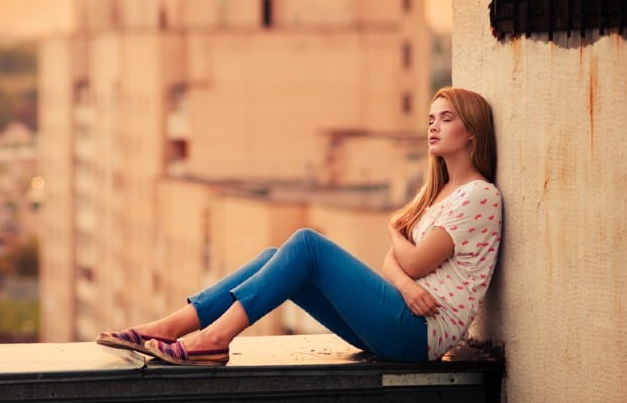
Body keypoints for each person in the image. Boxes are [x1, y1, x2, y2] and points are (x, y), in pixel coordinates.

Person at [96, 87, 502, 365]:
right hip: (402, 322)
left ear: (471, 131)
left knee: (307, 245)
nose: (433, 126)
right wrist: (406, 275)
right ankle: (172, 327)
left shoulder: (479, 195)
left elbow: (409, 261)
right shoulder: (440, 193)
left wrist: (396, 233)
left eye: (446, 119)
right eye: (430, 118)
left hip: (417, 335)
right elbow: (396, 265)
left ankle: (214, 340)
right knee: (276, 257)